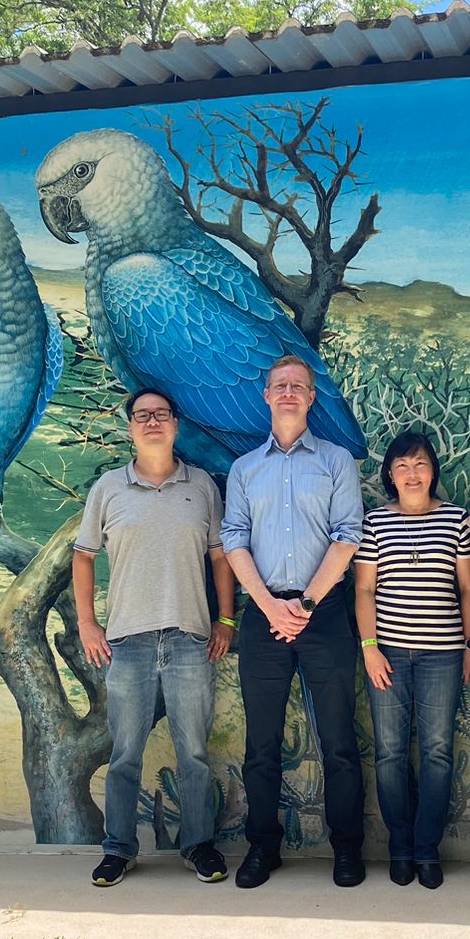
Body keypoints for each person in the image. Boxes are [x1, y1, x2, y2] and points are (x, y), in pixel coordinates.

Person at [75, 388, 236, 887]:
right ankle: (118, 849)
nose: (152, 422)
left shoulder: (202, 486)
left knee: (194, 753)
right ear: (130, 427)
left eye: (161, 414)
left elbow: (220, 557)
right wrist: (86, 622)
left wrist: (226, 619)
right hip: (128, 640)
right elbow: (84, 555)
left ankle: (198, 845)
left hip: (190, 638)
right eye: (142, 415)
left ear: (175, 425)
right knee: (125, 753)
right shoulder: (108, 488)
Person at [221, 355, 366, 888]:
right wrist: (267, 604)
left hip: (323, 613)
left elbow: (348, 535)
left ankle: (347, 848)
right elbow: (233, 537)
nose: (287, 392)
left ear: (310, 397)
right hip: (263, 615)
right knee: (261, 745)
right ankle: (263, 847)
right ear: (266, 396)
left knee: (339, 741)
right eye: (279, 385)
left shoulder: (335, 461)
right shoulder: (244, 469)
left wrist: (304, 605)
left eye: (297, 386)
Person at [355, 432, 470, 891]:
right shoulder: (374, 523)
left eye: (420, 463)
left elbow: (468, 588)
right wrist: (369, 648)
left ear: (433, 470)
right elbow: (364, 589)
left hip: (442, 655)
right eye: (402, 465)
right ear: (390, 474)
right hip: (386, 654)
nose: (412, 473)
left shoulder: (457, 520)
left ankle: (427, 849)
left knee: (437, 751)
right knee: (389, 752)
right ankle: (400, 847)